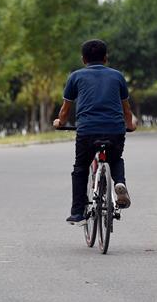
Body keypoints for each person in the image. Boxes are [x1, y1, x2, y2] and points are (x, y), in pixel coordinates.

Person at [53, 39, 136, 224]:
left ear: (83, 59)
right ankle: (120, 183)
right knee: (115, 158)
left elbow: (65, 110)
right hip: (115, 129)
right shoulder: (117, 76)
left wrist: (60, 122)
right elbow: (127, 110)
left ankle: (77, 213)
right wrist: (130, 125)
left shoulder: (75, 77)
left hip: (87, 131)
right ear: (106, 58)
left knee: (81, 168)